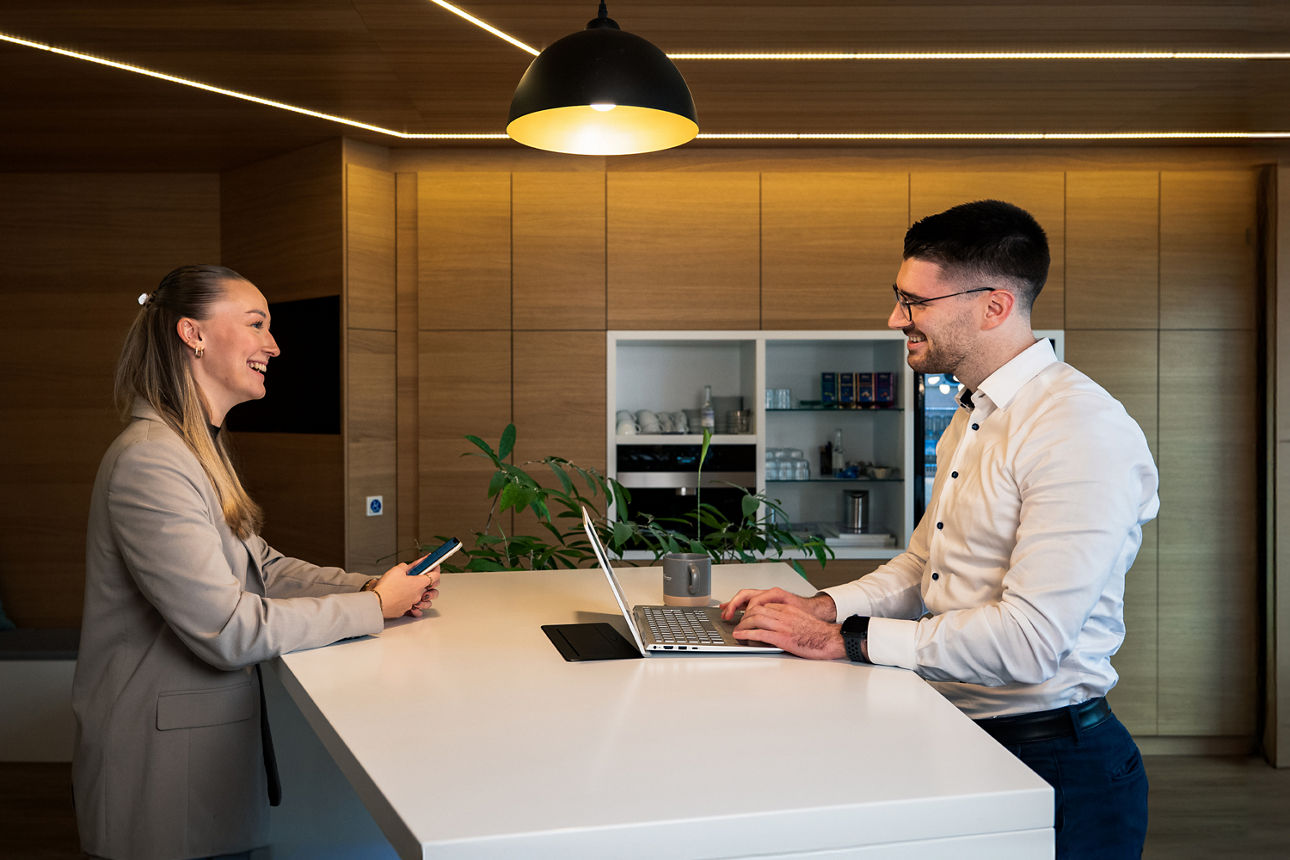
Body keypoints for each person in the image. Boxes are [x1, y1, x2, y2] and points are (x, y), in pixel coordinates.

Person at [722, 200, 1159, 858]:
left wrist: (847, 640)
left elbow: (1030, 642)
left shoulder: (1077, 428)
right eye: (899, 298)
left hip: (1058, 768)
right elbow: (920, 564)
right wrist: (824, 605)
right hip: (960, 735)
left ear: (994, 306)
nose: (896, 318)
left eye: (915, 302)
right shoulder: (972, 412)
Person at [73, 265, 440, 860]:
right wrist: (373, 607)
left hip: (200, 760)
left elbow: (261, 568)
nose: (274, 345)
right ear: (193, 335)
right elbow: (228, 630)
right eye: (256, 324)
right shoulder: (151, 463)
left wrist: (373, 584)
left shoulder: (194, 448)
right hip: (160, 775)